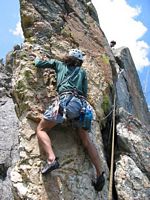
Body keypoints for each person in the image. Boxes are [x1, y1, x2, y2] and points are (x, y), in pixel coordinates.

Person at [34, 49, 105, 191]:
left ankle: (51, 159)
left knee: (41, 129)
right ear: (79, 62)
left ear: (67, 57)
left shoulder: (59, 64)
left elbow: (39, 63)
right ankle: (99, 173)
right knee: (85, 139)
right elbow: (84, 92)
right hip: (82, 107)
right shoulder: (82, 73)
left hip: (65, 102)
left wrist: (36, 57)